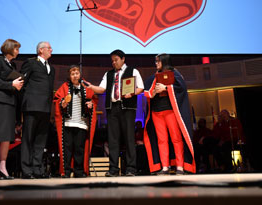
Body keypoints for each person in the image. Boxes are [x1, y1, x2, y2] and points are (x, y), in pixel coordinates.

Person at [83, 49, 144, 177]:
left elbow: (141, 87)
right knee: (113, 139)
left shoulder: (133, 71)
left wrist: (132, 93)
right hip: (112, 108)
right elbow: (101, 89)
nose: (114, 63)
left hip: (127, 108)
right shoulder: (109, 74)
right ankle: (113, 169)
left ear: (123, 59)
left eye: (116, 60)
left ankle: (131, 168)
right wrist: (91, 87)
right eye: (112, 60)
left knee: (129, 138)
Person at [143, 53, 196, 175]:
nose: (156, 63)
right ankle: (165, 167)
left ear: (164, 61)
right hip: (157, 113)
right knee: (161, 140)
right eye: (155, 61)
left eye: (158, 61)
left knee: (176, 139)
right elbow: (147, 92)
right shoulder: (153, 77)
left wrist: (166, 88)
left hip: (171, 112)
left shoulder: (175, 74)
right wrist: (155, 91)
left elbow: (181, 89)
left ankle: (180, 167)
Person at [0, 38, 24, 180]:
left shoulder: (11, 64)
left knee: (7, 136)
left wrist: (17, 85)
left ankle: (2, 166)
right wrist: (11, 84)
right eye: (16, 48)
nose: (18, 51)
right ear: (9, 48)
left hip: (9, 102)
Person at [20, 41, 56, 179]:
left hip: (45, 108)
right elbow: (22, 82)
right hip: (32, 106)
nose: (51, 50)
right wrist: (27, 101)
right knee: (28, 138)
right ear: (41, 50)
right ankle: (26, 170)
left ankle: (37, 169)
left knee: (41, 140)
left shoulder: (51, 68)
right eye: (49, 48)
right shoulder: (30, 63)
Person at [54, 65, 98, 178]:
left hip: (82, 123)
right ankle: (67, 171)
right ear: (69, 76)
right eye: (72, 74)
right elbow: (58, 99)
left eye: (77, 73)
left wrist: (90, 104)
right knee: (67, 149)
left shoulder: (86, 87)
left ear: (80, 74)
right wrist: (62, 103)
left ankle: (79, 172)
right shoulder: (65, 87)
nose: (75, 76)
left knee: (79, 149)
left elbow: (93, 99)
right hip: (68, 123)